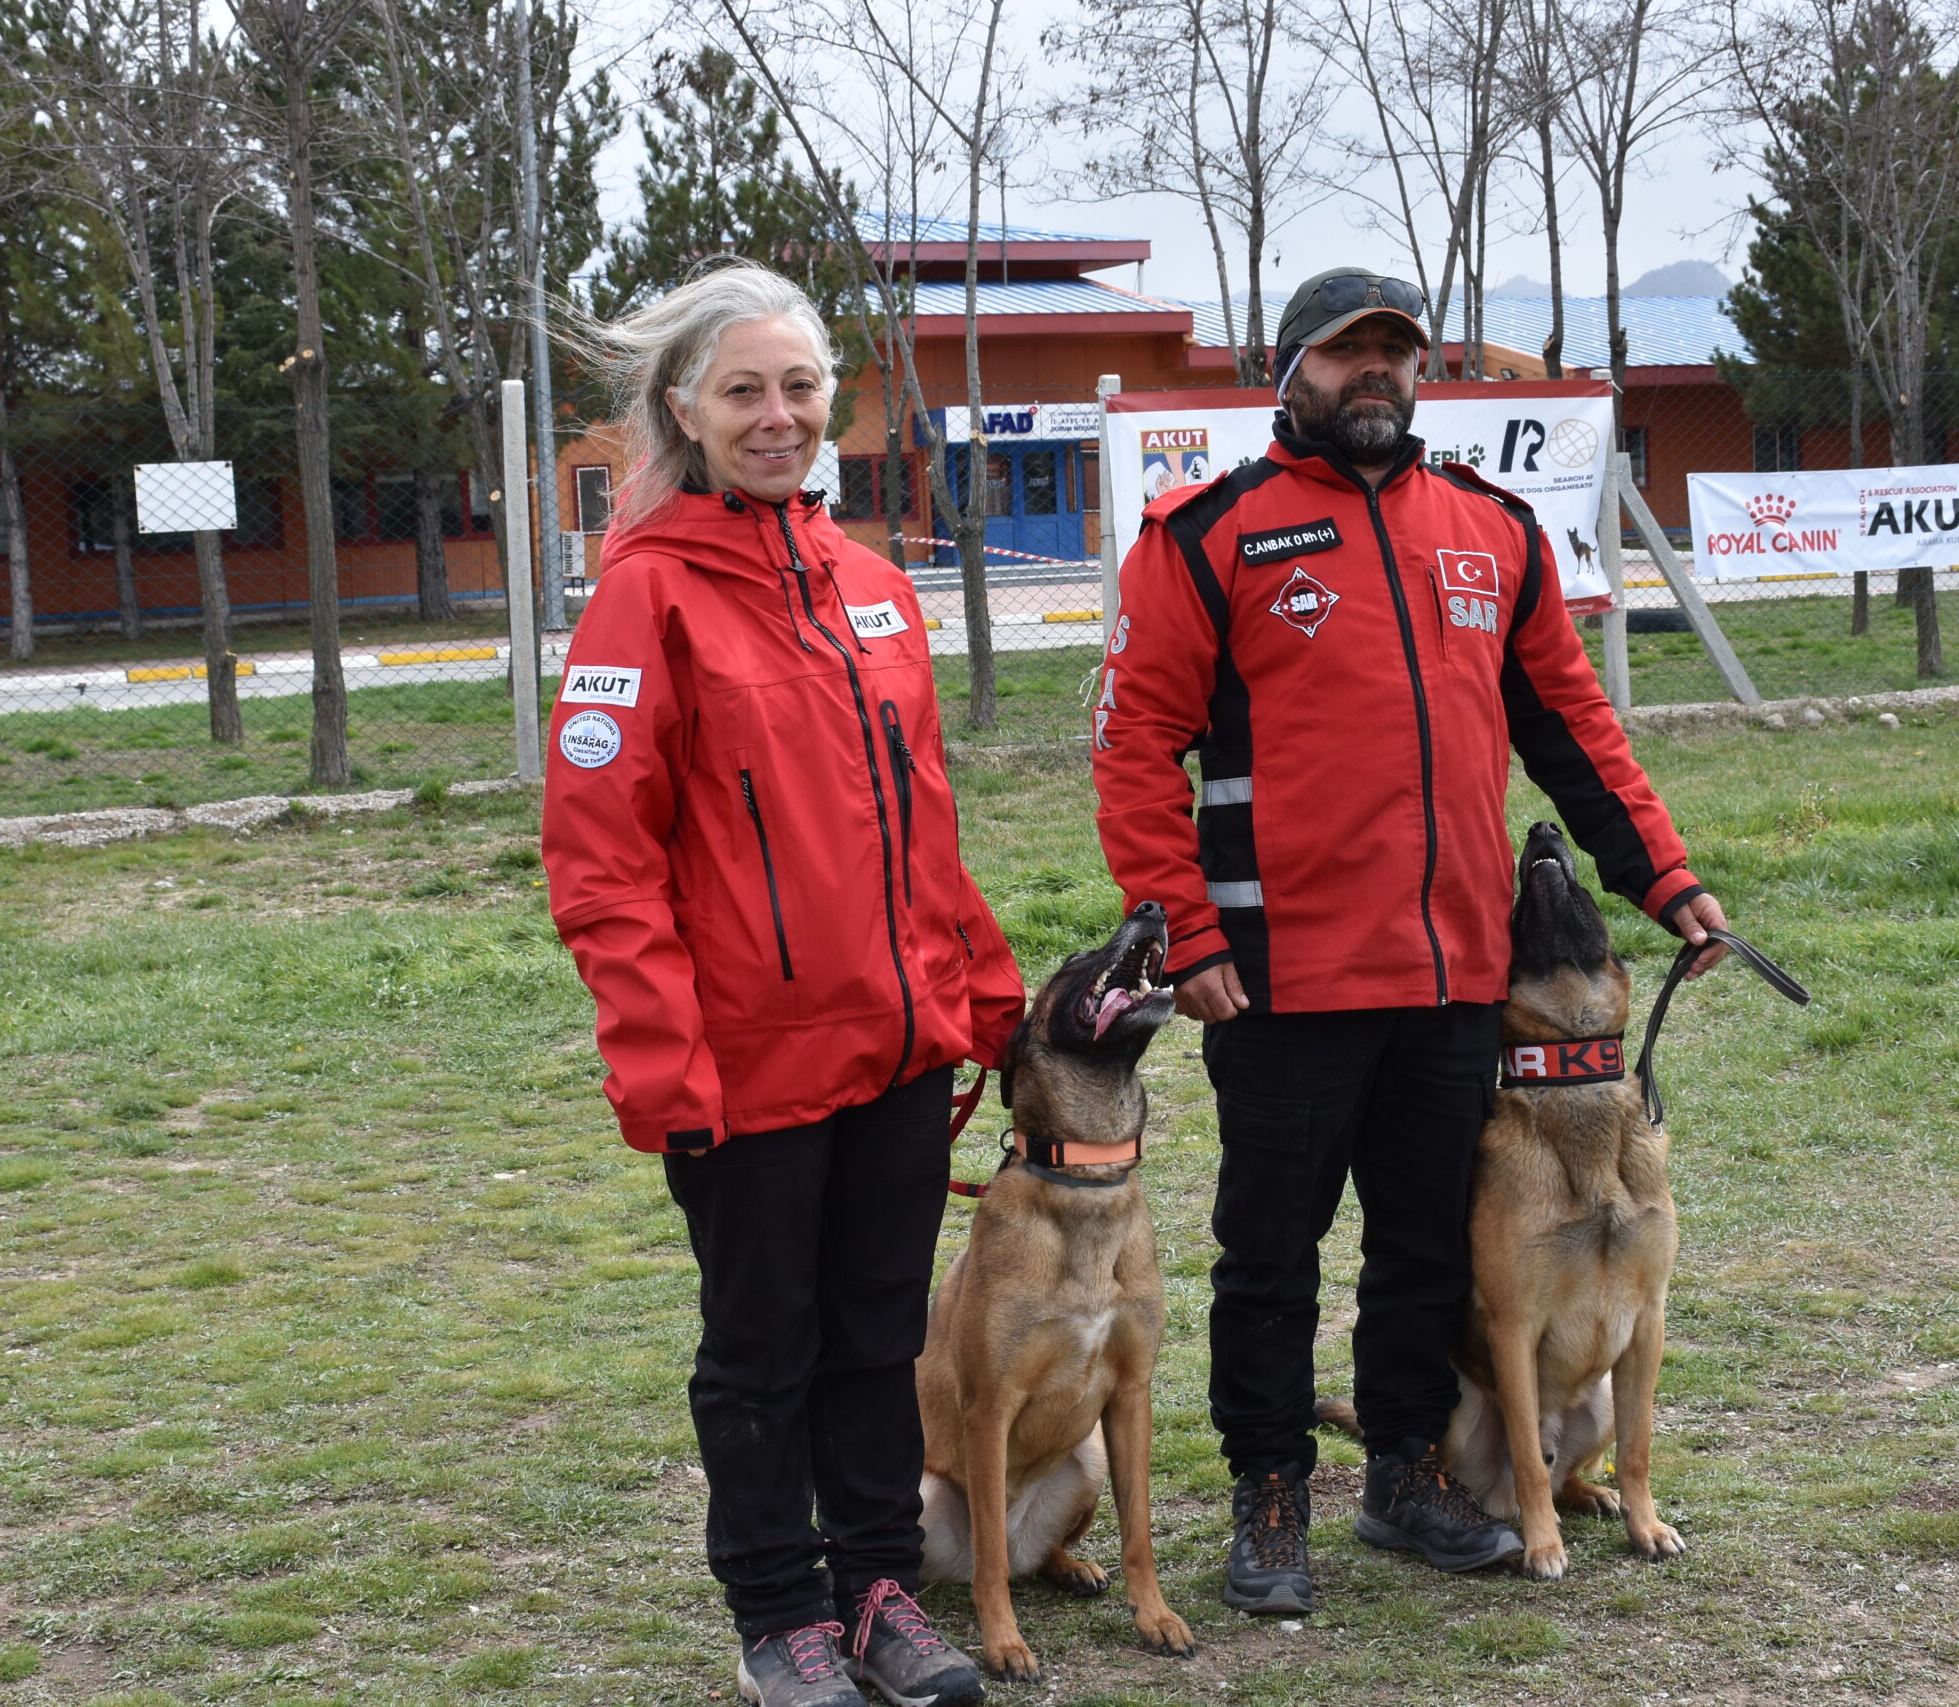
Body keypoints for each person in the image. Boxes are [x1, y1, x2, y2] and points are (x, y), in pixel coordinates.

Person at [1090, 267, 1730, 1616]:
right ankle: (1271, 1488)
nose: (1374, 371)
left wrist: (1662, 877)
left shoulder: (1490, 531)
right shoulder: (1208, 535)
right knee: (1271, 1252)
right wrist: (1185, 934)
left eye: (1396, 350)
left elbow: (1571, 726)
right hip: (1278, 975)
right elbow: (1135, 746)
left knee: (1429, 1246)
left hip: (1455, 970)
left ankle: (1403, 1470)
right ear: (1290, 372)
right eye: (1347, 353)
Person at [544, 262, 1023, 1707]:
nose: (778, 416)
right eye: (743, 391)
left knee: (879, 1336)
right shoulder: (644, 601)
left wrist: (983, 998)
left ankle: (877, 1591)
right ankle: (777, 1617)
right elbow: (602, 866)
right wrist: (661, 1063)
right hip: (742, 1070)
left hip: (898, 1053)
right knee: (765, 1350)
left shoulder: (874, 590)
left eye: (801, 388)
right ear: (682, 409)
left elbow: (922, 829)